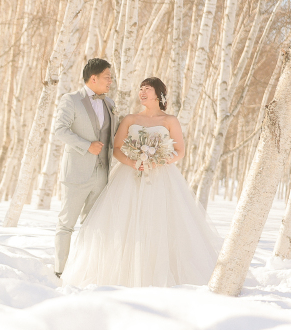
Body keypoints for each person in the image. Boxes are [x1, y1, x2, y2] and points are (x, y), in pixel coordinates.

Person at [60, 77, 222, 287]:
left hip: (162, 178)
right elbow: (116, 149)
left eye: (147, 89)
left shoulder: (169, 120)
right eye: (141, 89)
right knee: (125, 223)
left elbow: (180, 151)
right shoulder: (130, 118)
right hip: (130, 175)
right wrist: (134, 162)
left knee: (161, 223)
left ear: (159, 94)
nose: (142, 92)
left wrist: (159, 160)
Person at [52, 58, 119, 278]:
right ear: (94, 78)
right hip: (77, 173)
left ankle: (85, 269)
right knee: (66, 224)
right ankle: (60, 270)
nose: (110, 81)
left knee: (93, 225)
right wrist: (86, 145)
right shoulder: (70, 100)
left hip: (102, 174)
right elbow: (60, 130)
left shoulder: (109, 103)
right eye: (107, 77)